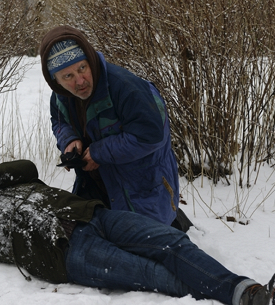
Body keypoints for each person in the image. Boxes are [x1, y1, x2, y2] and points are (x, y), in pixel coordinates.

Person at [0, 160, 275, 305]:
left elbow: (27, 169)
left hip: (92, 215)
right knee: (156, 274)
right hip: (64, 252)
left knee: (172, 243)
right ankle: (250, 301)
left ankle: (248, 293)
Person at [40, 26, 192, 230]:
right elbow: (59, 121)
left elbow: (152, 136)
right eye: (67, 76)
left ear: (90, 59)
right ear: (55, 80)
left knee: (149, 244)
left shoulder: (127, 87)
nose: (79, 81)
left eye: (82, 68)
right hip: (99, 184)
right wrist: (69, 141)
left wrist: (98, 153)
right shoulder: (60, 96)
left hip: (143, 187)